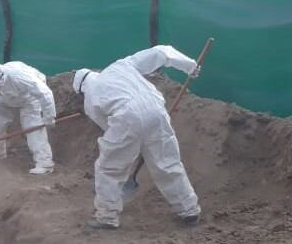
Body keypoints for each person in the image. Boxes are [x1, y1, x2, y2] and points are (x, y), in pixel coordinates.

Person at [72, 45, 201, 229]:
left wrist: (134, 145)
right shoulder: (121, 66)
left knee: (109, 169)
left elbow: (109, 127)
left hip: (126, 118)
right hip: (157, 112)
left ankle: (107, 216)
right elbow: (160, 52)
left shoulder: (90, 98)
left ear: (82, 89)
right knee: (168, 164)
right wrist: (189, 66)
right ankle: (189, 210)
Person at [0, 61, 56, 174]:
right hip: (5, 98)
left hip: (29, 97)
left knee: (32, 126)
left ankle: (45, 163)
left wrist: (49, 117)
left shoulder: (21, 77)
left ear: (1, 80)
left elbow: (45, 94)